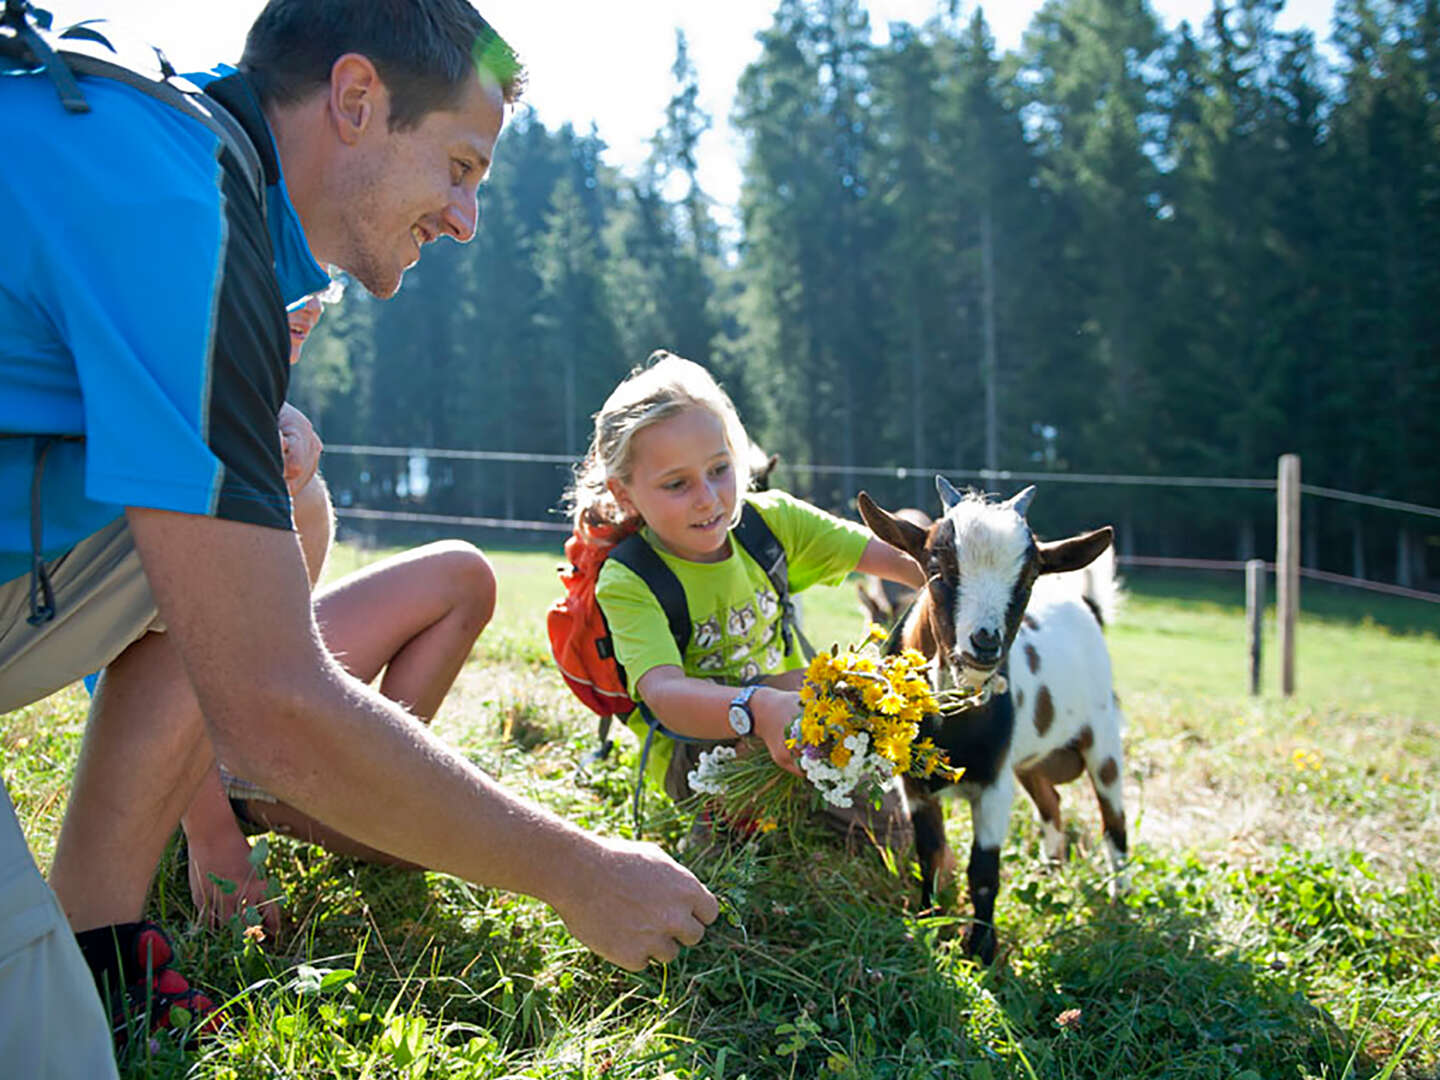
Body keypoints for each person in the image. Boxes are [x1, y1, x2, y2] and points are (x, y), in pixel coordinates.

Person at [0, 3, 716, 1073]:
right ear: (355, 99)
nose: (468, 217)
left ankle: (101, 930)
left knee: (280, 504)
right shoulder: (180, 207)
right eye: (461, 166)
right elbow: (271, 704)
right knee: (50, 1053)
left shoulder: (174, 148)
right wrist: (580, 872)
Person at [183, 291, 497, 934]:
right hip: (180, 740)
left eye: (322, 281)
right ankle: (245, 801)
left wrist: (293, 495)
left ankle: (373, 771)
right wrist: (212, 836)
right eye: (291, 268)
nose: (316, 298)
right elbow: (138, 662)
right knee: (419, 838)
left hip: (257, 695)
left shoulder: (272, 423)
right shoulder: (174, 395)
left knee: (463, 574)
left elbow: (281, 635)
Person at [569, 351, 926, 829]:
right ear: (624, 493)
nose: (709, 499)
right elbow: (665, 694)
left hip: (791, 717)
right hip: (697, 754)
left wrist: (974, 582)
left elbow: (904, 561)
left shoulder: (770, 524)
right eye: (677, 484)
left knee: (888, 824)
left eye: (720, 469)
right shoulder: (631, 577)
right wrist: (755, 710)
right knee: (758, 867)